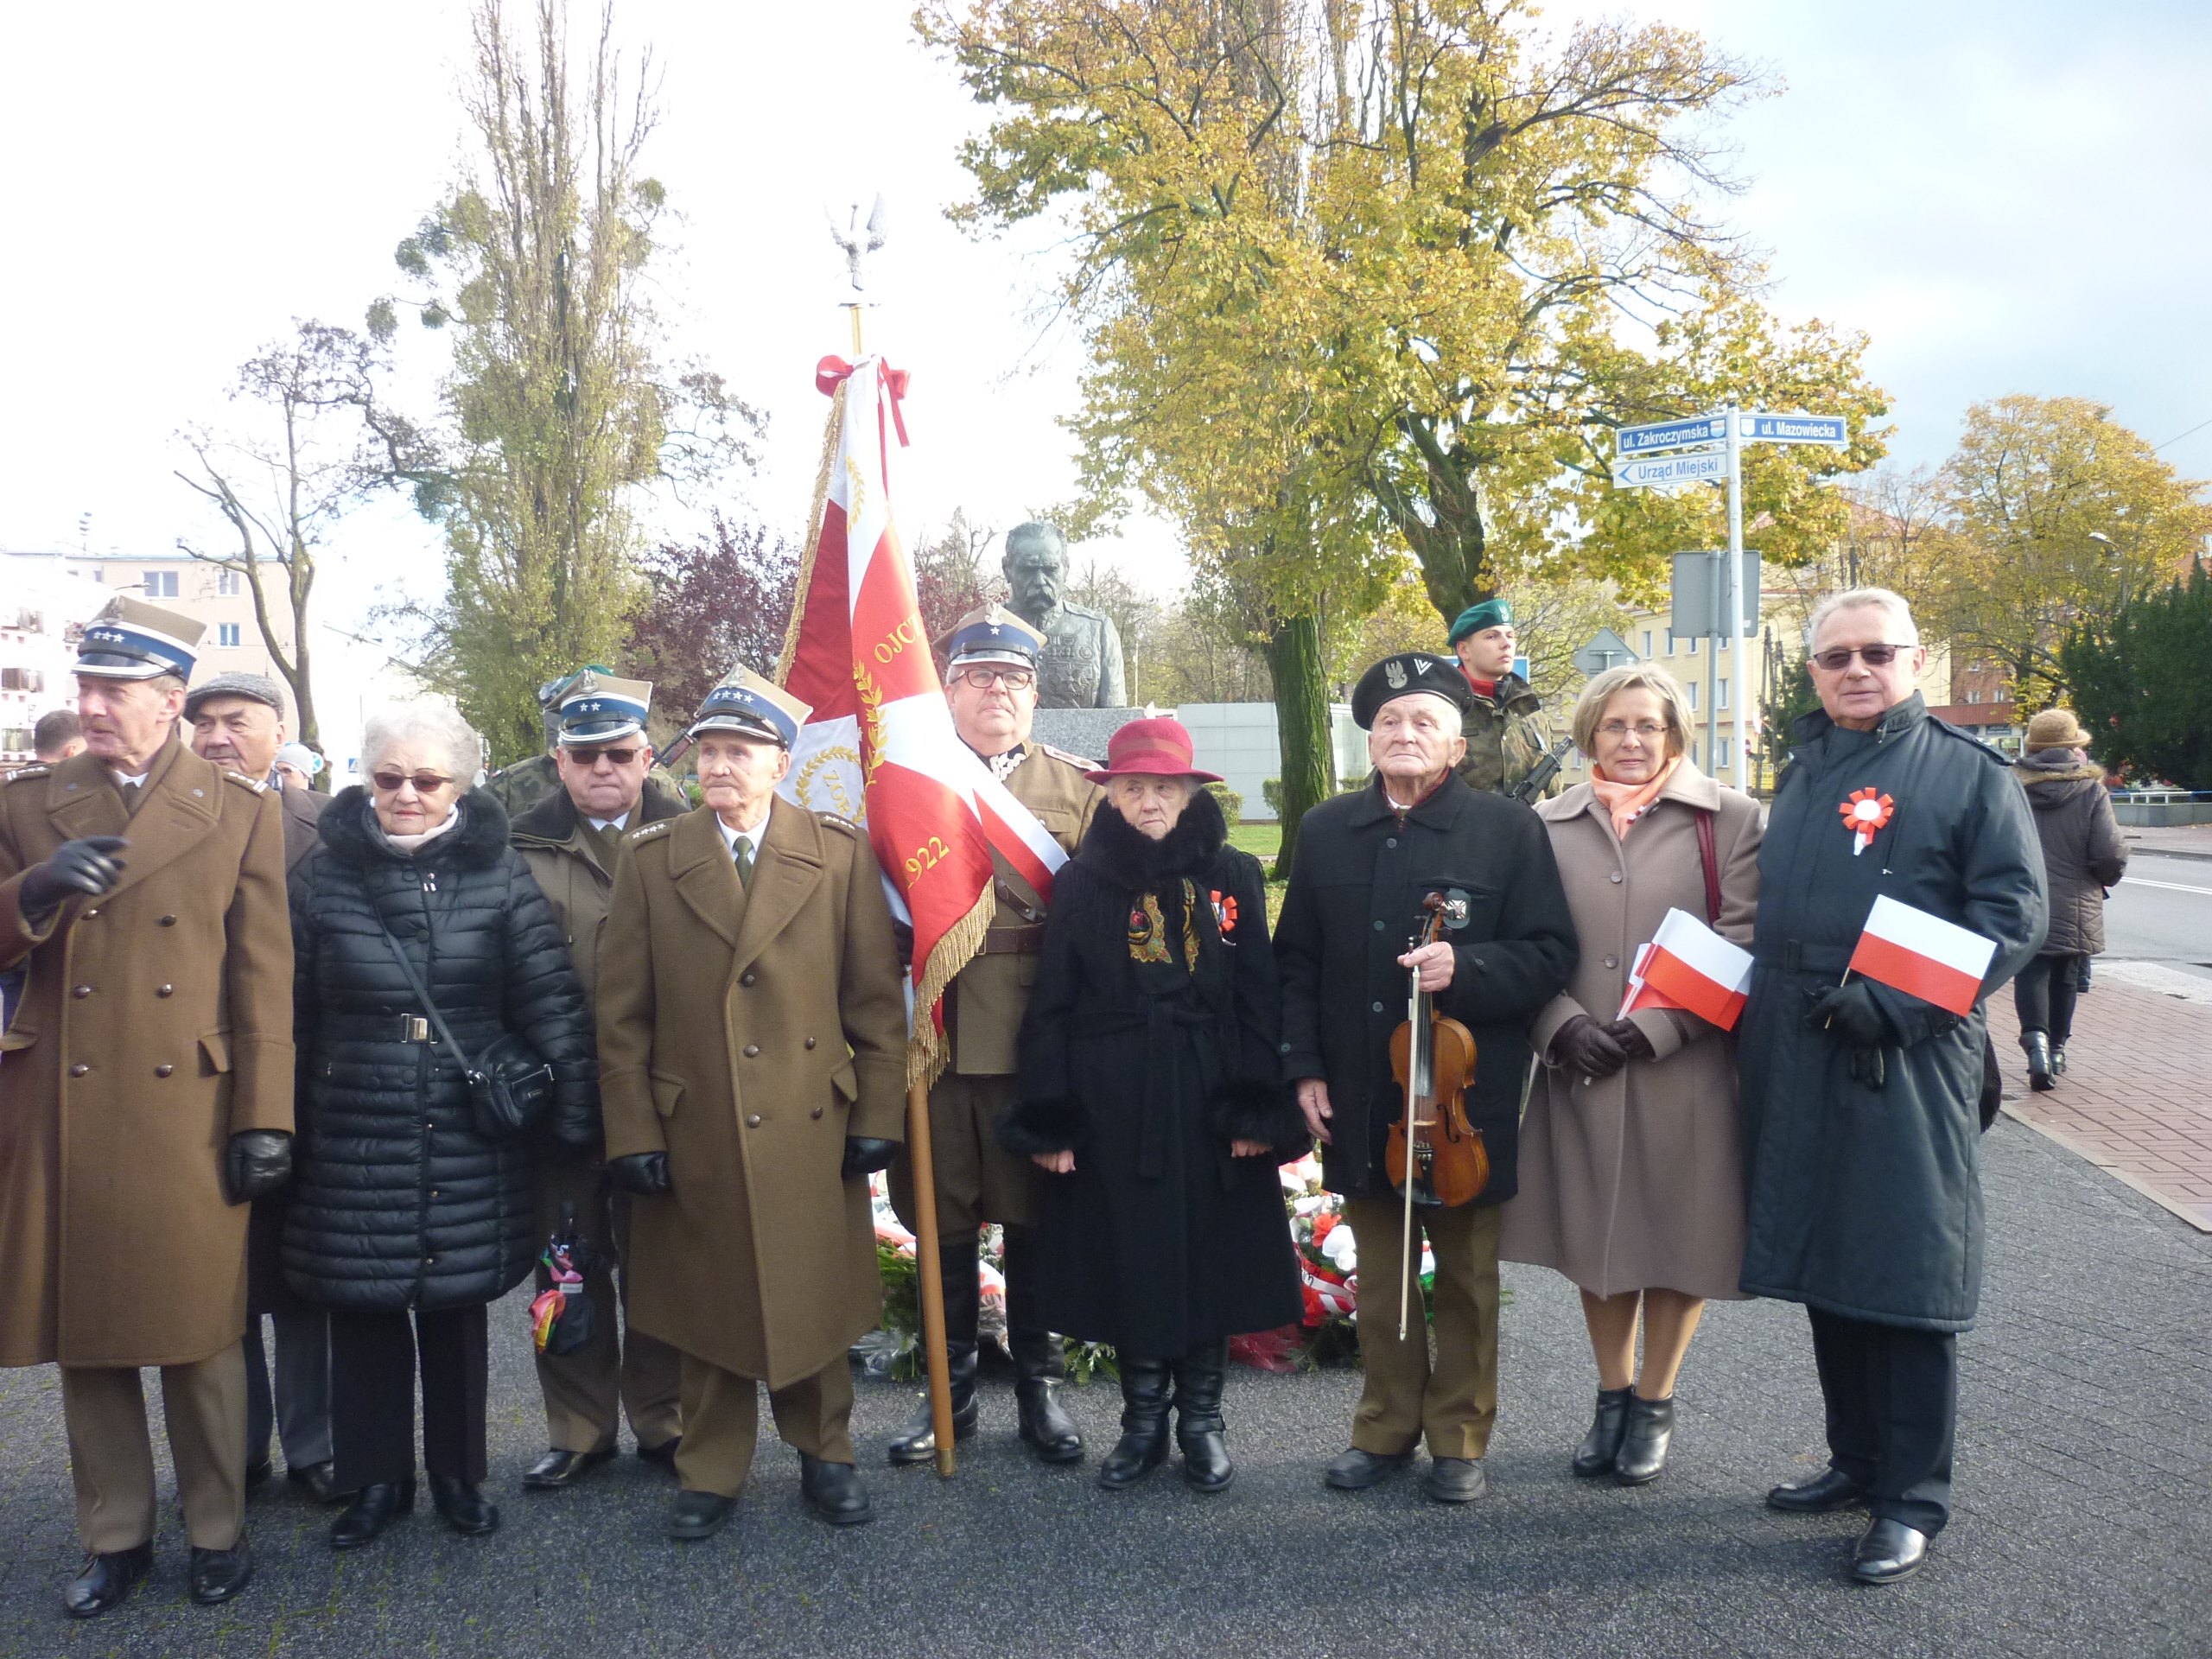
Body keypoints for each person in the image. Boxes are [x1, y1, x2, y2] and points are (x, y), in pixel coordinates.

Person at [1739, 588, 2045, 1586]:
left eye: (1877, 652)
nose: (1855, 669)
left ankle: (1911, 1495)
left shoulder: (1966, 775)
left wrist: (1902, 1004)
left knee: (1904, 1275)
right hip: (1801, 1049)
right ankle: (1856, 1460)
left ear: (1914, 661)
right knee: (1831, 1262)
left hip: (1903, 1058)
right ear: (1815, 672)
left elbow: (2011, 913)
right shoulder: (1806, 767)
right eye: (1835, 657)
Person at [0, 596, 294, 1616]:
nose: (93, 707)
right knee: (93, 1335)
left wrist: (266, 1116)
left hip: (189, 1106)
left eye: (115, 692)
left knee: (199, 1334)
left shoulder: (240, 808)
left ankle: (217, 1529)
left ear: (169, 702)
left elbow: (261, 979)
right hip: (65, 1103)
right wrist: (31, 893)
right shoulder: (29, 803)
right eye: (85, 689)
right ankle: (114, 1535)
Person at [596, 669, 907, 1539]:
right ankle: (711, 1469)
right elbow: (620, 1016)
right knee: (709, 1301)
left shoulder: (836, 854)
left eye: (741, 751)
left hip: (812, 1118)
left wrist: (878, 1115)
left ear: (780, 761)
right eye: (709, 751)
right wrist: (633, 1129)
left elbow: (875, 1005)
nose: (720, 766)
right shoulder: (654, 859)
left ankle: (827, 1454)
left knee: (812, 1295)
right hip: (697, 1120)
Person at [283, 699, 597, 1549]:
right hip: (352, 1121)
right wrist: (276, 1128)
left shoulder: (498, 877)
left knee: (456, 1311)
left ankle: (460, 1477)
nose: (407, 794)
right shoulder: (320, 877)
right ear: (366, 778)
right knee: (366, 1308)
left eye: (428, 780)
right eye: (389, 778)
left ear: (461, 784)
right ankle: (374, 1482)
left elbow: (548, 999)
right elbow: (289, 1012)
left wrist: (570, 1110)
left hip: (468, 1124)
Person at [1275, 652, 1577, 1503]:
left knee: (1469, 1281)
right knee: (1381, 1278)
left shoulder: (1508, 830)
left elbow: (1550, 955)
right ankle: (1382, 1430)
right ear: (1368, 737)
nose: (1404, 734)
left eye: (1423, 722)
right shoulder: (1326, 830)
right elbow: (1293, 964)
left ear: (1454, 743)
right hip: (1361, 1096)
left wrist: (1467, 967)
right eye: (1389, 721)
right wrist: (1303, 1071)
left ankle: (1459, 1438)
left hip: (1460, 1108)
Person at [999, 718, 1303, 1491]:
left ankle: (1201, 1423)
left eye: (1163, 787)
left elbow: (1257, 995)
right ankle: (1140, 1425)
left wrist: (1251, 1108)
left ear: (1191, 791)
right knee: (1129, 1254)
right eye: (1133, 787)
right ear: (1113, 795)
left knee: (1206, 1254)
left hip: (1209, 1092)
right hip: (1113, 1099)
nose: (1148, 801)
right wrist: (1053, 1114)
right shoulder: (1081, 881)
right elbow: (1054, 1005)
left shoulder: (1232, 872)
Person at [1502, 664, 1762, 1485]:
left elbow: (1745, 939)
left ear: (1676, 732)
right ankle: (1611, 1394)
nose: (1631, 741)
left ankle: (1655, 1400)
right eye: (1615, 725)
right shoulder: (1541, 825)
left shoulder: (1733, 820)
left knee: (1680, 1237)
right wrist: (1558, 1025)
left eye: (1648, 725)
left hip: (1684, 1068)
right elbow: (1519, 941)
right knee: (1596, 1236)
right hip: (1578, 1065)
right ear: (1589, 734)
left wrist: (1657, 1028)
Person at [884, 606, 1100, 1465]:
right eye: (977, 678)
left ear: (1034, 695)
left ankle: (1038, 1392)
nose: (995, 692)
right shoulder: (907, 787)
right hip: (932, 1036)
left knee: (1035, 1220)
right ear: (949, 691)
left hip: (1035, 1040)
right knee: (939, 1220)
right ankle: (950, 1393)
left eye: (1011, 679)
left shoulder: (1081, 790)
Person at [509, 671, 688, 1489]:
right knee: (566, 1264)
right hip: (562, 1091)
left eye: (619, 754)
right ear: (559, 761)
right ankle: (576, 1428)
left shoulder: (693, 834)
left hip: (662, 1090)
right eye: (585, 756)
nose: (603, 770)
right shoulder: (519, 847)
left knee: (661, 1263)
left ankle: (665, 1419)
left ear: (647, 756)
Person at [186, 671, 340, 1501]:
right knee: (220, 1282)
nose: (215, 737)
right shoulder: (168, 825)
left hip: (313, 1084)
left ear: (278, 732)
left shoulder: (331, 829)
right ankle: (234, 1452)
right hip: (201, 1090)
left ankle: (313, 1446)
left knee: (305, 1278)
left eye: (235, 721)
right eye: (201, 722)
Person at [2010, 708, 2125, 1092]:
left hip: (2022, 898)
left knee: (2029, 971)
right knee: (2065, 977)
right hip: (2076, 900)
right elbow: (2109, 852)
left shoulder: (2011, 787)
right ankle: (2057, 1050)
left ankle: (2035, 1046)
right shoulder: (2092, 790)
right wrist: (2103, 880)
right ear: (2074, 746)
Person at [1001, 521, 1128, 708]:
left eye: (1050, 569)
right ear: (1007, 569)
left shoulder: (1098, 630)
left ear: (1066, 568)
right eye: (1028, 570)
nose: (1040, 581)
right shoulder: (982, 628)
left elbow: (1115, 718)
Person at [1445, 599, 1560, 799]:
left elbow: (1554, 792)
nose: (1506, 644)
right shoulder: (1442, 709)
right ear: (1464, 650)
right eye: (1492, 636)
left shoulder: (1529, 710)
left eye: (1510, 636)